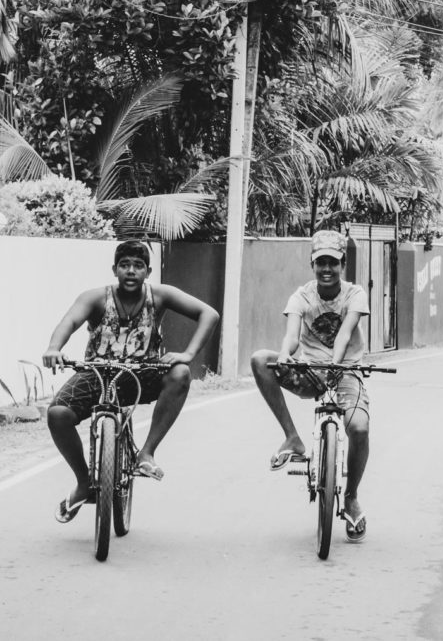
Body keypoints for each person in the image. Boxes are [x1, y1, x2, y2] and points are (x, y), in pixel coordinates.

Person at [42, 240, 220, 524]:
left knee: (181, 373)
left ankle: (146, 453)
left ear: (148, 271)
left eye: (138, 266)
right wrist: (54, 347)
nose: (131, 271)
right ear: (115, 269)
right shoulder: (95, 298)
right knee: (57, 414)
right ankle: (84, 483)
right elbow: (70, 321)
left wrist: (188, 354)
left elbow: (208, 314)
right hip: (97, 373)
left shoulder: (160, 295)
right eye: (125, 265)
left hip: (143, 373)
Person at [250, 230, 372, 543]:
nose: (327, 268)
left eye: (333, 262)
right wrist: (286, 355)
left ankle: (352, 497)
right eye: (321, 263)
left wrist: (335, 364)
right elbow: (291, 333)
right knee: (261, 359)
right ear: (312, 265)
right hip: (309, 373)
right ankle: (292, 438)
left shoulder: (354, 294)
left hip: (346, 372)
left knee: (358, 428)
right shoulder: (302, 295)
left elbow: (345, 333)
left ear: (343, 263)